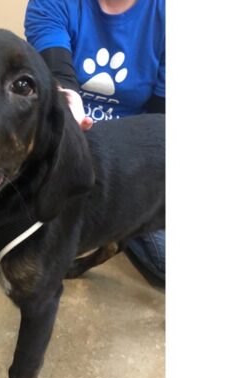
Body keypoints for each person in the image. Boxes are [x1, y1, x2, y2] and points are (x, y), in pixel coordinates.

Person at [25, 0, 165, 281]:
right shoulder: (50, 4)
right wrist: (68, 104)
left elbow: (159, 120)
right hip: (67, 141)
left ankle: (117, 233)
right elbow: (58, 73)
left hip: (131, 155)